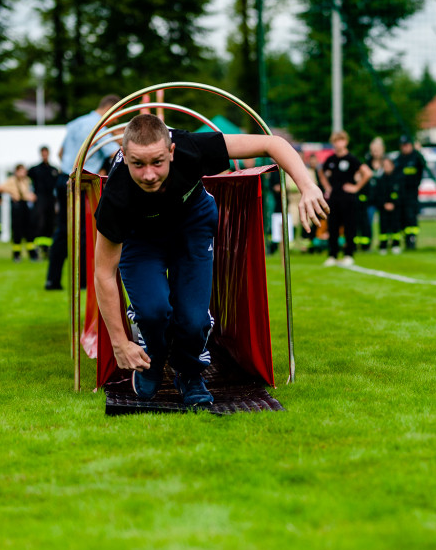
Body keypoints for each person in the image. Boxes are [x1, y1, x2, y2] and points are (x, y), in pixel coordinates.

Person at [93, 113, 327, 406]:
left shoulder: (192, 147)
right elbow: (103, 273)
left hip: (190, 226)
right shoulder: (117, 194)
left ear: (172, 152)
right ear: (124, 156)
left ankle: (189, 373)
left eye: (157, 162)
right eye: (138, 164)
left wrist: (307, 186)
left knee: (192, 320)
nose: (149, 174)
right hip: (141, 239)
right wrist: (118, 343)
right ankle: (151, 354)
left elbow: (273, 144)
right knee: (153, 311)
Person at [46, 94, 122, 291]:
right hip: (82, 181)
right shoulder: (100, 127)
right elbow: (115, 153)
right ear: (110, 109)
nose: (117, 121)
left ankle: (52, 280)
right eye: (117, 116)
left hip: (64, 178)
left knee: (63, 231)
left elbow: (61, 152)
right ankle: (83, 281)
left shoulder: (75, 123)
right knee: (86, 231)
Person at [318, 130, 371, 267]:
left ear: (345, 142)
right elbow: (321, 172)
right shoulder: (331, 160)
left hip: (348, 199)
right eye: (335, 141)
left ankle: (349, 254)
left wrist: (356, 187)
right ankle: (333, 255)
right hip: (334, 199)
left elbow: (367, 173)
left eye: (341, 140)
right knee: (333, 227)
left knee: (349, 227)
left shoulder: (351, 159)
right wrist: (327, 187)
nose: (338, 143)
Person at [0, 164, 38, 261]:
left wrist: (31, 196)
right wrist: (12, 192)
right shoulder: (12, 180)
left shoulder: (26, 180)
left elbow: (27, 192)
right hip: (17, 206)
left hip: (26, 206)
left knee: (29, 230)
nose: (24, 173)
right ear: (17, 171)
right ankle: (16, 255)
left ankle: (32, 254)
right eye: (22, 171)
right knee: (17, 231)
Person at [393, 135, 425, 250]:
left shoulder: (416, 157)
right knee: (402, 218)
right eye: (403, 146)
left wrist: (418, 151)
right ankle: (405, 240)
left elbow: (423, 164)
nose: (404, 148)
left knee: (411, 217)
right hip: (401, 193)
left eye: (406, 145)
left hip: (412, 193)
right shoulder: (399, 159)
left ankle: (412, 240)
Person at [28, 146, 60, 258]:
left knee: (50, 224)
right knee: (39, 223)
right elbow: (25, 180)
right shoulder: (34, 170)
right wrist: (28, 193)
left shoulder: (54, 170)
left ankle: (47, 250)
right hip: (39, 199)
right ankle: (36, 250)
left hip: (50, 200)